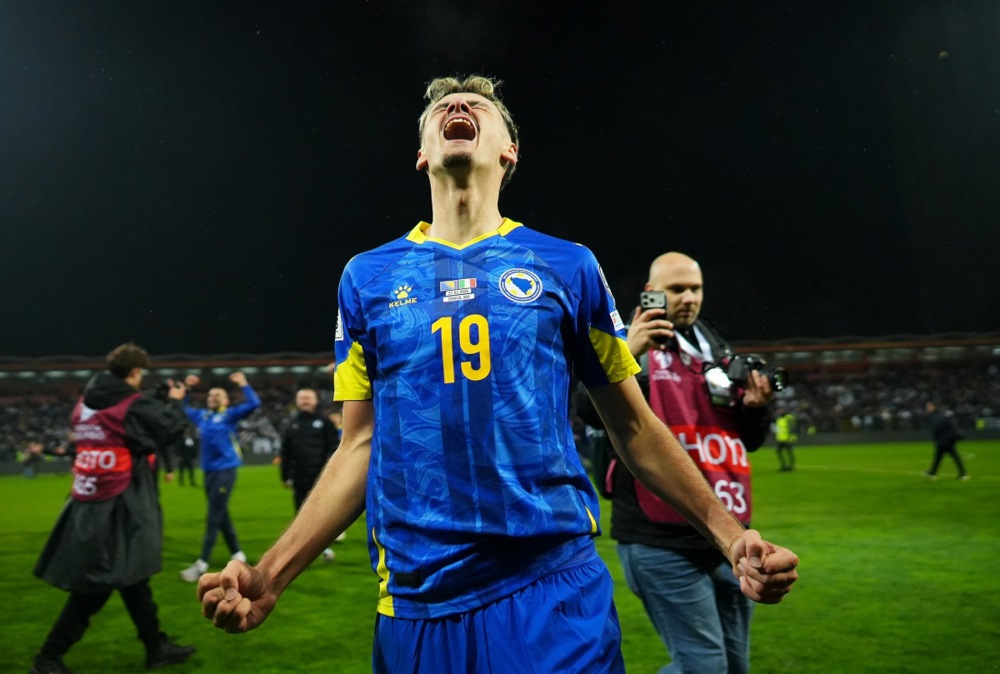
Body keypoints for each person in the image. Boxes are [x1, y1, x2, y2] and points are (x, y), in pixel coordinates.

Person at [195, 75, 798, 674]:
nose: (457, 105)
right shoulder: (366, 278)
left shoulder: (569, 265)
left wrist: (729, 535)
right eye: (441, 106)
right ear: (422, 154)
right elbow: (360, 443)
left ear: (510, 150)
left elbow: (633, 428)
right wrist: (271, 574)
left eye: (478, 105)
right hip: (416, 598)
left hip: (552, 587)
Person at [577, 251, 775, 674]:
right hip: (658, 538)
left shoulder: (715, 347)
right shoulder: (623, 338)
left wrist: (757, 409)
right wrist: (625, 354)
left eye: (695, 289)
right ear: (651, 292)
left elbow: (748, 440)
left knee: (733, 668)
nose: (689, 298)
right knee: (705, 668)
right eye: (677, 289)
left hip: (728, 532)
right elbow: (588, 410)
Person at [31, 343, 196, 674]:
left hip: (88, 499)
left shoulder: (85, 402)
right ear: (134, 372)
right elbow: (165, 429)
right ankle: (48, 658)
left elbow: (128, 420)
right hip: (119, 503)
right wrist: (176, 401)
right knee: (98, 584)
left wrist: (156, 397)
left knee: (133, 578)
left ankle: (156, 646)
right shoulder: (132, 406)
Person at [180, 372, 261, 582]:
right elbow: (181, 407)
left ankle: (202, 563)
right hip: (208, 471)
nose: (213, 397)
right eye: (210, 395)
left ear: (226, 400)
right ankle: (237, 553)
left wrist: (244, 384)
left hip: (226, 469)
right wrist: (187, 389)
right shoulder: (202, 416)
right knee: (221, 513)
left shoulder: (230, 415)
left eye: (218, 395)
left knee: (213, 515)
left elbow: (254, 403)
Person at [280, 388, 341, 561]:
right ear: (297, 401)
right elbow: (285, 451)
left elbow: (335, 448)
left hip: (321, 476)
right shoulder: (291, 423)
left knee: (321, 513)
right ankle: (302, 549)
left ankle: (323, 545)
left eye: (308, 398)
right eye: (302, 398)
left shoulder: (324, 422)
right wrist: (284, 476)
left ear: (315, 400)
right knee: (300, 514)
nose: (305, 401)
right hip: (299, 476)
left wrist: (333, 472)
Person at [924, 401, 969, 480]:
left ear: (934, 407)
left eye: (929, 407)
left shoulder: (935, 416)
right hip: (946, 439)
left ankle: (963, 474)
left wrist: (936, 439)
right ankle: (933, 473)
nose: (927, 408)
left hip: (944, 440)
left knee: (951, 457)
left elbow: (937, 428)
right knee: (940, 457)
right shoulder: (940, 414)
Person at [774, 404, 797, 472]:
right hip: (780, 439)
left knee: (789, 452)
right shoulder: (779, 418)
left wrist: (790, 438)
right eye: (779, 409)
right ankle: (783, 465)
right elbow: (779, 429)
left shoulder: (788, 417)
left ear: (784, 410)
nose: (779, 411)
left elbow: (792, 428)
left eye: (781, 409)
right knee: (778, 451)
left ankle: (791, 466)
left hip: (787, 439)